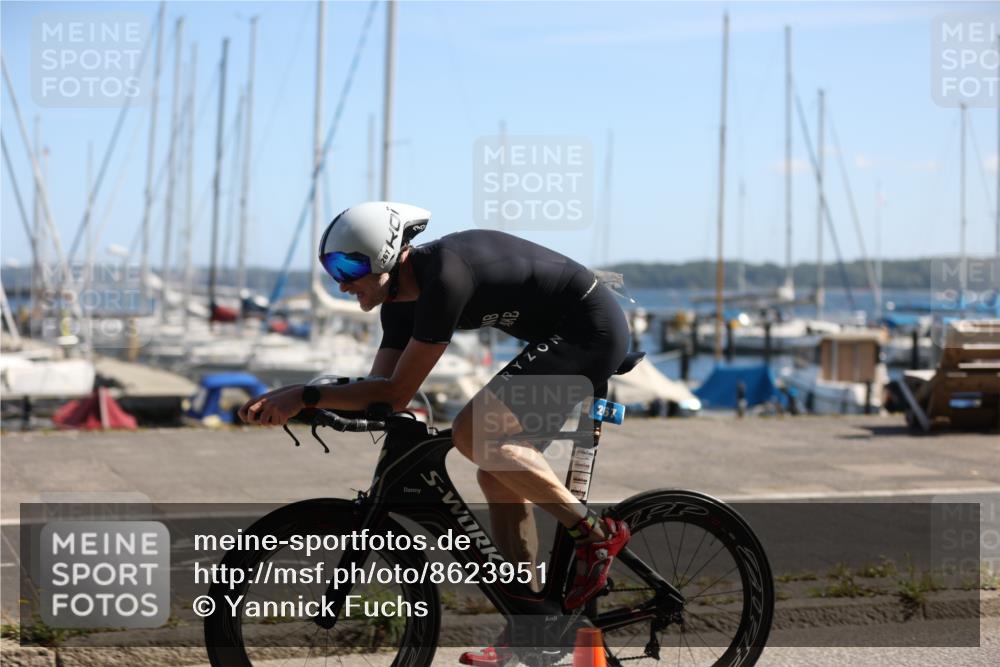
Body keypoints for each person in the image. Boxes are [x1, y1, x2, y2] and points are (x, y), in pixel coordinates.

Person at [239, 202, 631, 665]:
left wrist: (305, 396)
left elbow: (399, 388)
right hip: (559, 337)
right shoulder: (398, 306)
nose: (341, 282)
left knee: (476, 434)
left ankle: (595, 533)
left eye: (350, 265)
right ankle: (534, 621)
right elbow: (384, 397)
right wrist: (309, 402)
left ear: (385, 256)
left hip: (590, 330)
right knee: (496, 471)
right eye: (331, 268)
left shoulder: (444, 278)